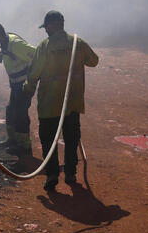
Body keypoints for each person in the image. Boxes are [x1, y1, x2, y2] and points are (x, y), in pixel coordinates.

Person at [22, 10, 99, 191]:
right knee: (72, 139)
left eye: (46, 27)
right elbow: (93, 61)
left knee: (49, 140)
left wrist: (27, 90)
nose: (45, 31)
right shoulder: (77, 44)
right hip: (71, 104)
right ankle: (70, 173)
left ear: (52, 25)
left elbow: (33, 74)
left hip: (49, 105)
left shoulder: (45, 46)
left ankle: (52, 175)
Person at [0, 22, 36, 164]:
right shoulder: (4, 43)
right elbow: (5, 57)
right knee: (11, 110)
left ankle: (24, 146)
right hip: (15, 84)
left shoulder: (15, 43)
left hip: (24, 84)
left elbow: (35, 55)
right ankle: (12, 140)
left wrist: (31, 79)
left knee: (20, 113)